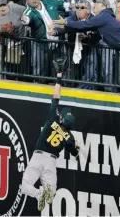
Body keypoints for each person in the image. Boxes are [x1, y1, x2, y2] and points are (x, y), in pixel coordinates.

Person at [21, 68, 80, 212]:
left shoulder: (52, 119)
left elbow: (56, 96)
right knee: (52, 195)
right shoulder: (69, 137)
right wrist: (76, 146)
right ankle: (45, 192)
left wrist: (59, 77)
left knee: (25, 186)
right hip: (51, 162)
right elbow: (74, 154)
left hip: (39, 156)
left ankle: (38, 193)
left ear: (62, 119)